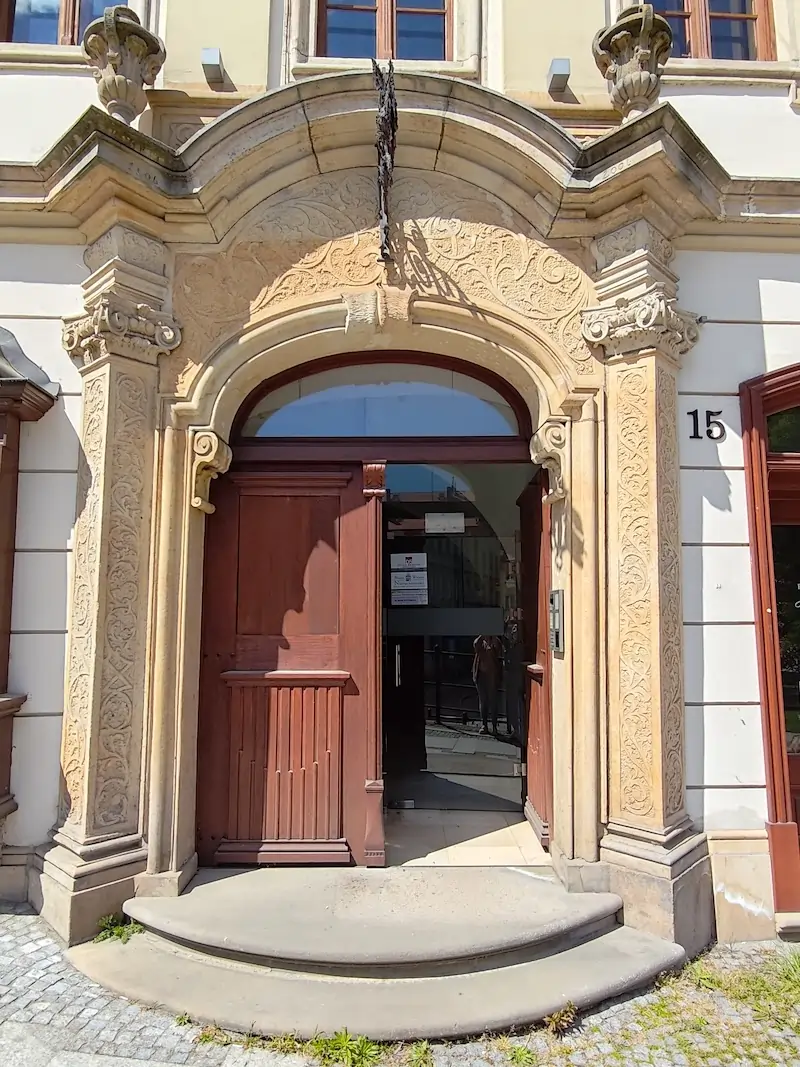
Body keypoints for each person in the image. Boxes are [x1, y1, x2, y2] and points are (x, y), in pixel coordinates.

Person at [472, 635, 503, 736]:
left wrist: (492, 637)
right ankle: (484, 724)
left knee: (493, 701)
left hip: (492, 675)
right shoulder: (480, 641)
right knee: (483, 701)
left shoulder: (494, 640)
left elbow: (499, 649)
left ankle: (494, 726)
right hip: (481, 675)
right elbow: (475, 645)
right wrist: (482, 635)